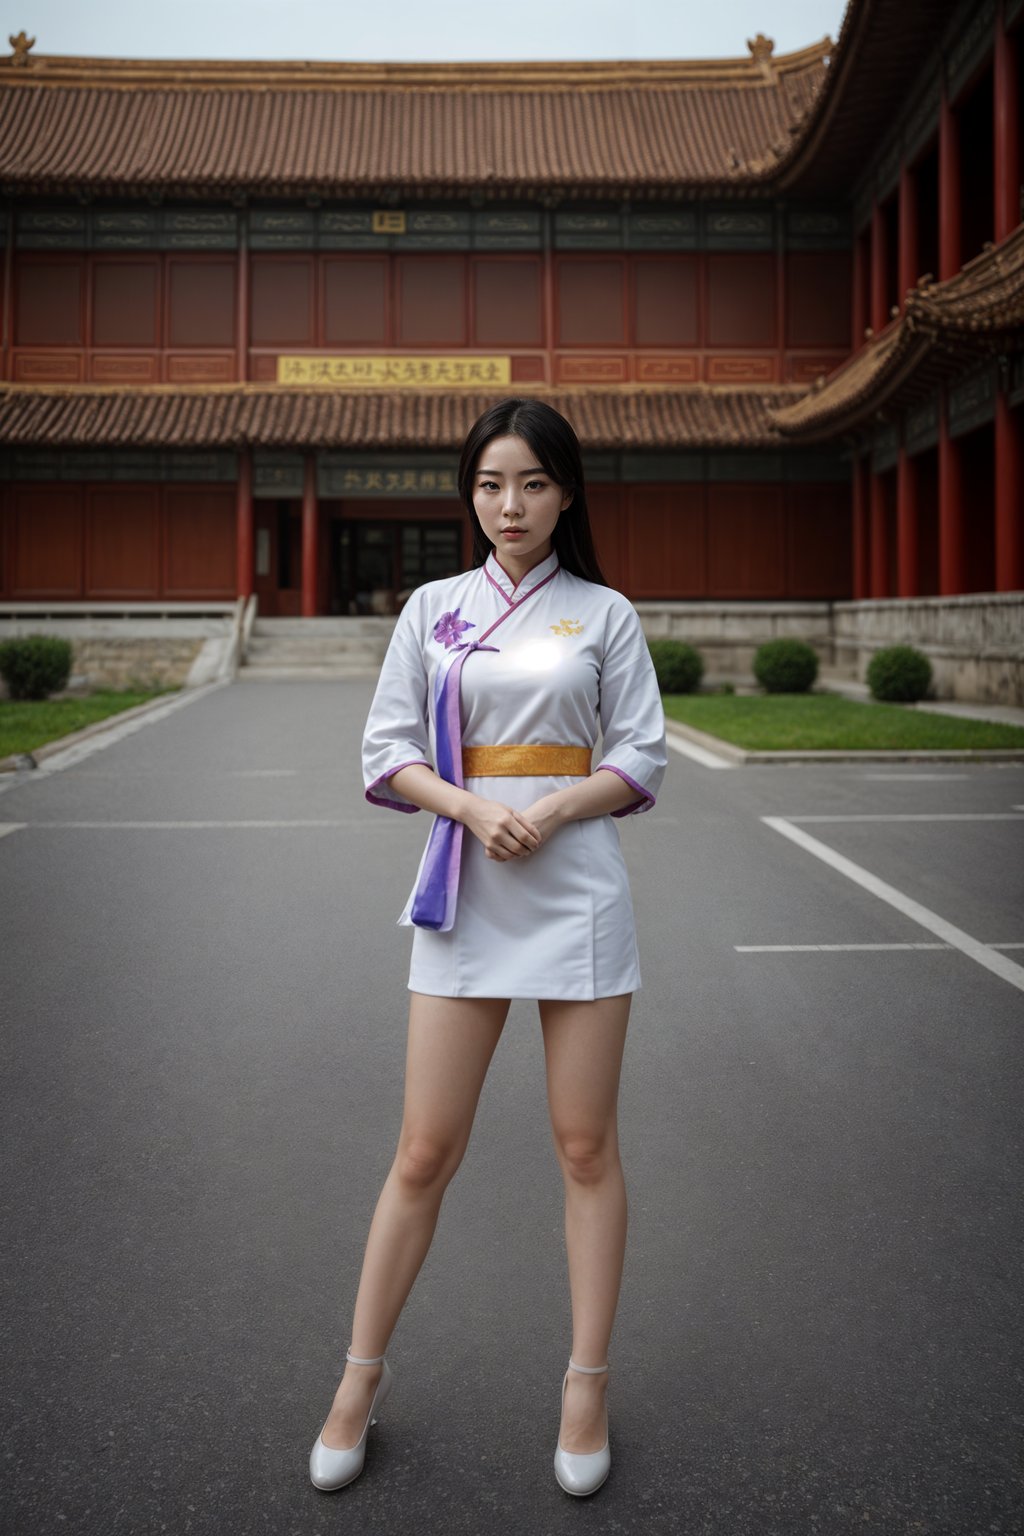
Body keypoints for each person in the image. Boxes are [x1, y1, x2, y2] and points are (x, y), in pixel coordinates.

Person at [309, 397, 667, 1498]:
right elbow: (386, 750)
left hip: (577, 898)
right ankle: (356, 1382)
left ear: (566, 494)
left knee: (583, 1149)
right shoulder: (432, 607)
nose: (509, 507)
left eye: (532, 485)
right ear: (470, 493)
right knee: (423, 1151)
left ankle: (586, 1383)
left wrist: (553, 812)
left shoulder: (602, 614)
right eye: (489, 485)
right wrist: (470, 812)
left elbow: (642, 756)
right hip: (467, 891)